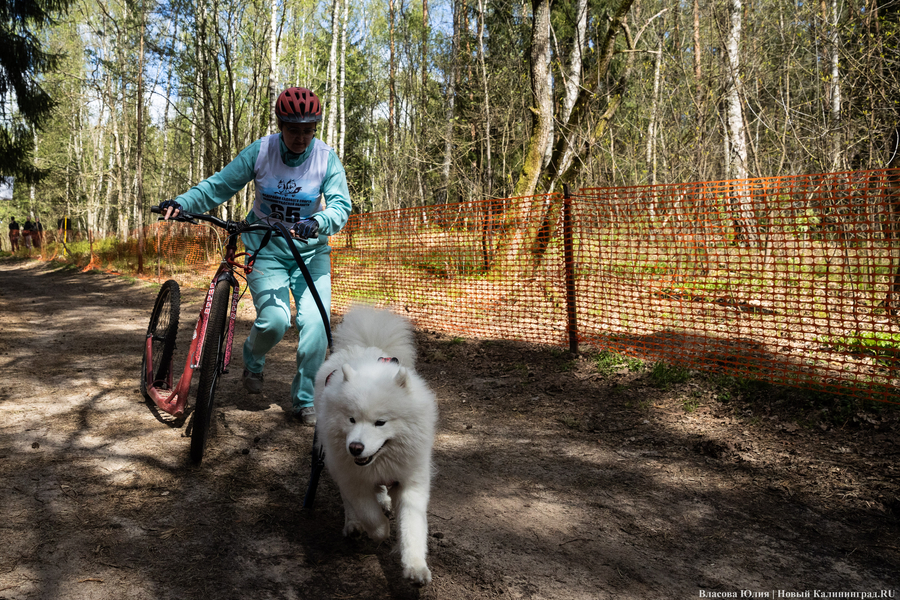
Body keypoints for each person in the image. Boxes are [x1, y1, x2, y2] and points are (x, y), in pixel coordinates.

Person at [160, 87, 352, 426]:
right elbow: (219, 185)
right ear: (280, 125)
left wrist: (319, 221)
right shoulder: (261, 152)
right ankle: (253, 358)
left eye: (308, 130)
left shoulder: (326, 158)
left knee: (316, 326)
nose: (301, 138)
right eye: (293, 130)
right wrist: (183, 203)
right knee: (276, 320)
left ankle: (305, 399)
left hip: (310, 255)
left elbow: (340, 206)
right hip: (265, 249)